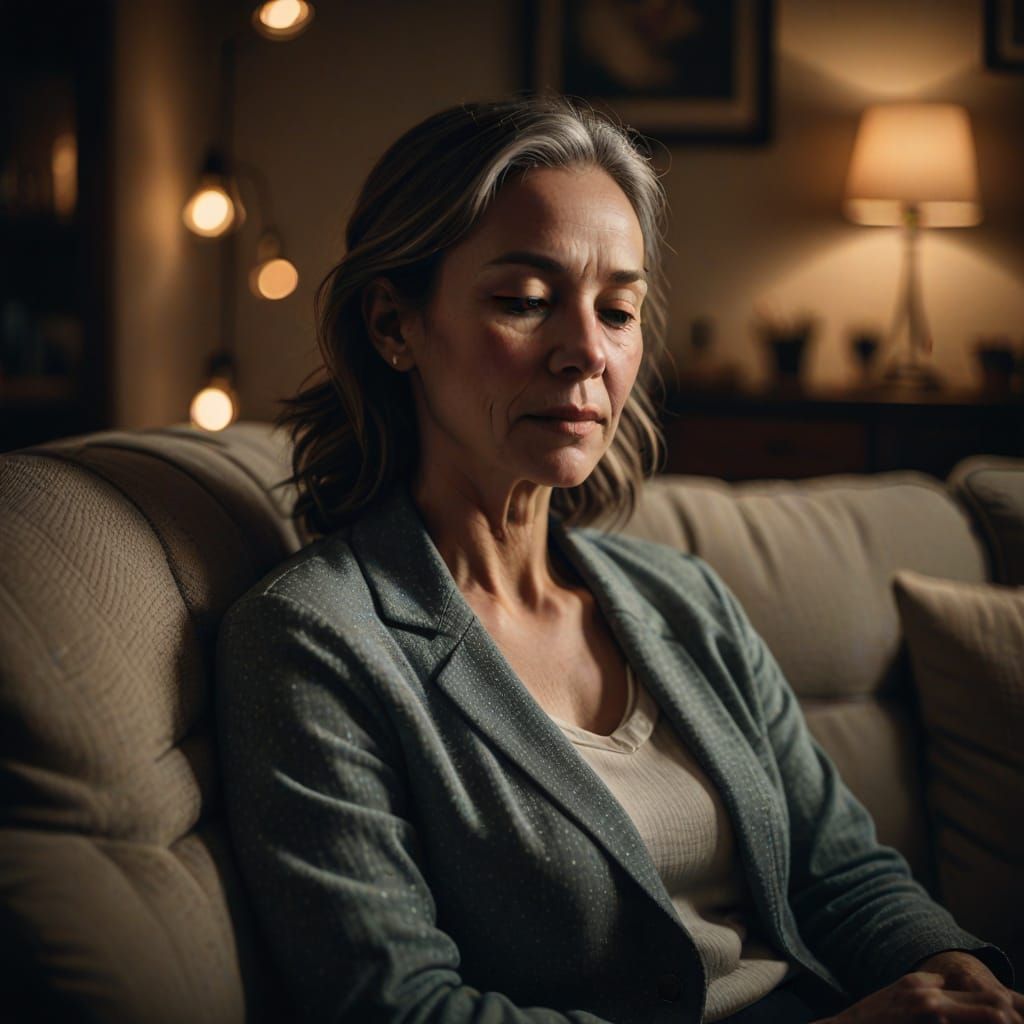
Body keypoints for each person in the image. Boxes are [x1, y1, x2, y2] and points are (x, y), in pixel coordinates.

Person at [216, 95, 1019, 1023]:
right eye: (524, 302)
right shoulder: (311, 642)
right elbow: (401, 1007)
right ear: (394, 325)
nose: (587, 352)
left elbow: (839, 870)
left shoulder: (684, 598)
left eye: (619, 308)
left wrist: (956, 971)